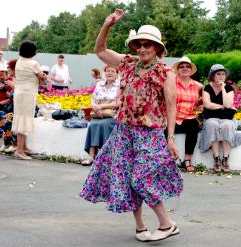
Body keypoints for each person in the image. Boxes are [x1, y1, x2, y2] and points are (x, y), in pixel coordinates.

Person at [79, 9, 183, 242]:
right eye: (139, 44)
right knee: (125, 177)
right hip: (123, 131)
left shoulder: (165, 72)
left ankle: (167, 224)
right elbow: (100, 50)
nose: (143, 48)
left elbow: (171, 106)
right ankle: (140, 227)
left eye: (148, 44)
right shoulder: (127, 63)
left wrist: (171, 139)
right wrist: (107, 24)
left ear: (157, 48)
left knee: (142, 177)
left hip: (150, 133)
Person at [199, 64, 241, 172]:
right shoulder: (207, 88)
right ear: (212, 75)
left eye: (223, 74)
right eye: (218, 74)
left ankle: (225, 158)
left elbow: (228, 104)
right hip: (211, 117)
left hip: (226, 118)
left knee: (227, 125)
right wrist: (223, 107)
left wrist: (223, 88)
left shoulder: (229, 88)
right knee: (212, 124)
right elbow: (208, 105)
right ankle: (217, 158)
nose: (221, 76)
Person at [11, 41, 46, 160]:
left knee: (21, 117)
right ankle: (19, 150)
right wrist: (44, 77)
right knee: (25, 119)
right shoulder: (34, 63)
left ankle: (24, 147)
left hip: (19, 93)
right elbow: (41, 77)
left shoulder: (19, 62)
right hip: (28, 93)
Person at [81, 64, 120, 166]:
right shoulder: (99, 84)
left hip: (112, 114)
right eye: (108, 71)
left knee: (103, 125)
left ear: (117, 74)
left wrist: (101, 107)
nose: (110, 73)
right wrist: (95, 108)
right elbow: (93, 100)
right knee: (93, 124)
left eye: (112, 71)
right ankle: (91, 156)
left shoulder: (119, 85)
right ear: (104, 73)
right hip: (98, 113)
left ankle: (102, 156)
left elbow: (118, 103)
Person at [169, 56, 203, 172]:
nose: (184, 68)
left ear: (190, 69)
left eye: (187, 66)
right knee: (164, 130)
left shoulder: (198, 86)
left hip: (189, 116)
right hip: (172, 117)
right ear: (178, 69)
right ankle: (167, 161)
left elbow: (205, 99)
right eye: (181, 66)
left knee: (193, 127)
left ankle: (187, 159)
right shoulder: (171, 83)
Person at [0, 65, 15, 152]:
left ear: (6, 73)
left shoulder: (10, 82)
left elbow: (11, 98)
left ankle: (6, 143)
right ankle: (4, 142)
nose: (0, 74)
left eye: (2, 72)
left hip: (7, 107)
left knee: (0, 116)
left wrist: (4, 89)